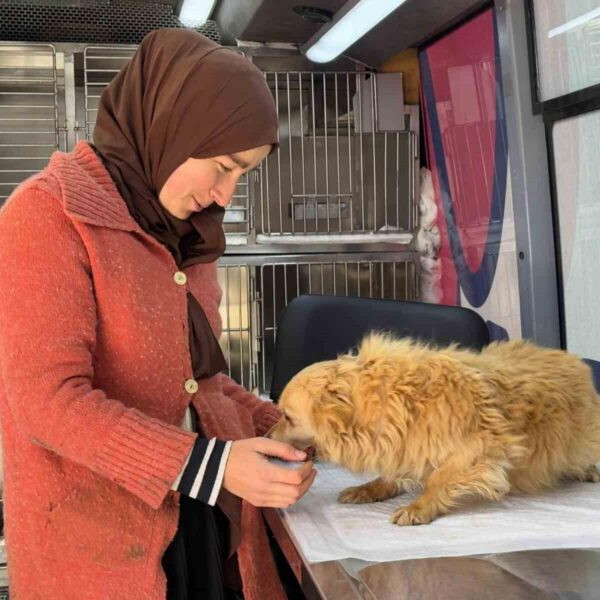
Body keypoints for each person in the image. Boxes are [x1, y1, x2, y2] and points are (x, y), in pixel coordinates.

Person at [0, 29, 316, 600]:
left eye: (243, 175)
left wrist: (294, 431)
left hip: (195, 519)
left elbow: (204, 385)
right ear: (174, 126)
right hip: (96, 545)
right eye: (223, 165)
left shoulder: (186, 235)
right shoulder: (46, 216)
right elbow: (47, 401)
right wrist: (214, 467)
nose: (226, 194)